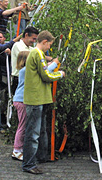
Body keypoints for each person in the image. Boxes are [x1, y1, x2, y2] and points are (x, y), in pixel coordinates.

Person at [22, 30, 65, 175]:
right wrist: (60, 74)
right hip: (35, 99)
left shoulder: (37, 53)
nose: (49, 48)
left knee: (39, 131)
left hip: (39, 98)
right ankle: (28, 164)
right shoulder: (38, 54)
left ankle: (40, 157)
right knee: (32, 133)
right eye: (49, 45)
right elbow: (46, 75)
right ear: (44, 42)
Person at [12, 51, 59, 161]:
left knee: (25, 125)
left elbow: (42, 69)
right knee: (23, 126)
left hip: (23, 100)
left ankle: (21, 148)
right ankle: (17, 150)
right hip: (22, 100)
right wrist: (54, 64)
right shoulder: (25, 71)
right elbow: (44, 71)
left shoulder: (26, 70)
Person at [0, 31, 21, 127]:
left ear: (4, 38)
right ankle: (2, 119)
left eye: (1, 37)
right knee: (3, 97)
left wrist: (10, 52)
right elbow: (4, 47)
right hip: (3, 77)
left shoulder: (12, 47)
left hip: (12, 75)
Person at [11, 26, 39, 94]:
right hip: (19, 79)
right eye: (33, 38)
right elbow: (27, 57)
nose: (34, 41)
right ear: (26, 35)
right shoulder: (17, 45)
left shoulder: (31, 48)